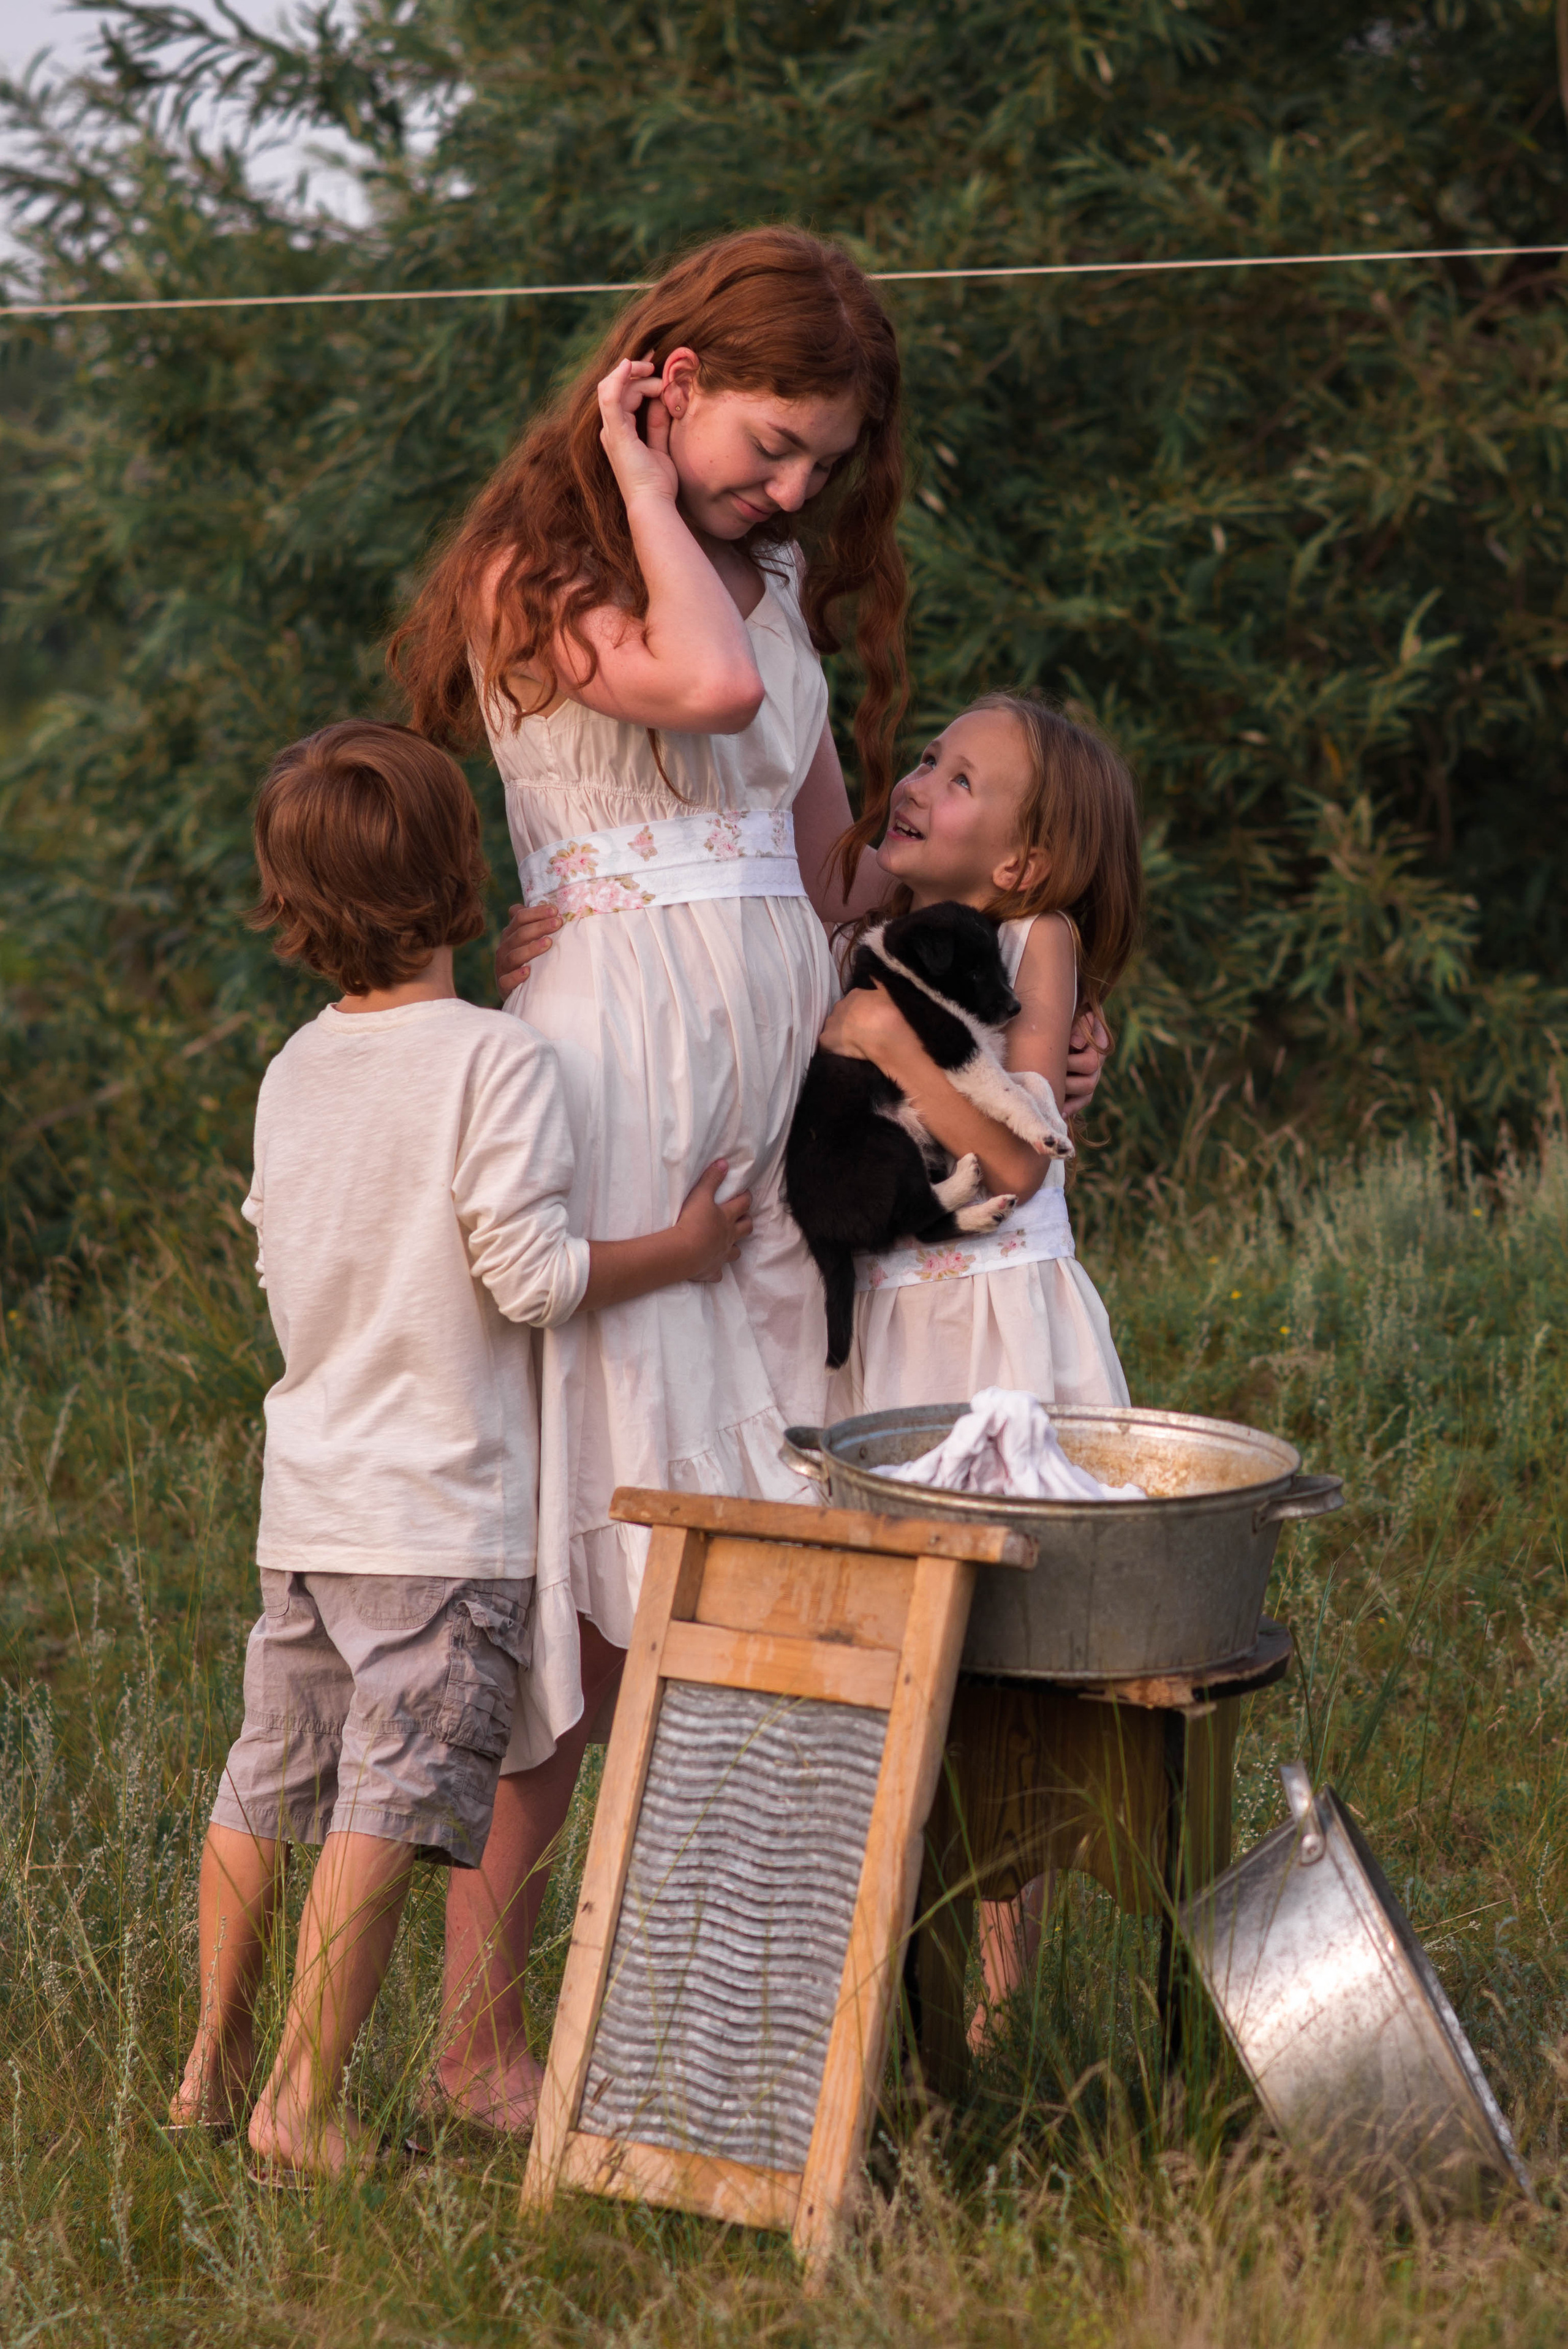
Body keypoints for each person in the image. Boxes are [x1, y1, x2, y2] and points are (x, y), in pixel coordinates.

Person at [391, 227, 1109, 2132]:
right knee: (605, 1571)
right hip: (623, 1088)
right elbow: (705, 693)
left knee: (769, 1517)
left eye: (823, 464)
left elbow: (833, 878)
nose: (792, 493)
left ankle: (753, 2005)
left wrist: (1015, 1026)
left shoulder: (770, 580)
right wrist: (634, 478)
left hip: (771, 1105)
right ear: (673, 379)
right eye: (769, 442)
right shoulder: (543, 565)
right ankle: (478, 2041)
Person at [168, 721, 749, 2177]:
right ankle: (300, 2104)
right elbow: (532, 1278)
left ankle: (208, 2068)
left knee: (265, 1783)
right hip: (437, 1515)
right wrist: (680, 1249)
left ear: (292, 903)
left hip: (310, 1498)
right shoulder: (501, 1059)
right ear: (464, 869)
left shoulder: (295, 1068)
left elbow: (284, 1250)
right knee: (384, 1802)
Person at [815, 690, 1140, 2033]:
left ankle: (1004, 2000)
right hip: (892, 1326)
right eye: (928, 759)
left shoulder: (1031, 939)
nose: (916, 782)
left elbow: (1010, 1164)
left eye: (959, 780)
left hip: (999, 1331)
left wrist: (888, 1040)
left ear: (1019, 863)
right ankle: (894, 1984)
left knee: (1014, 1652)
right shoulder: (866, 931)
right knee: (894, 1642)